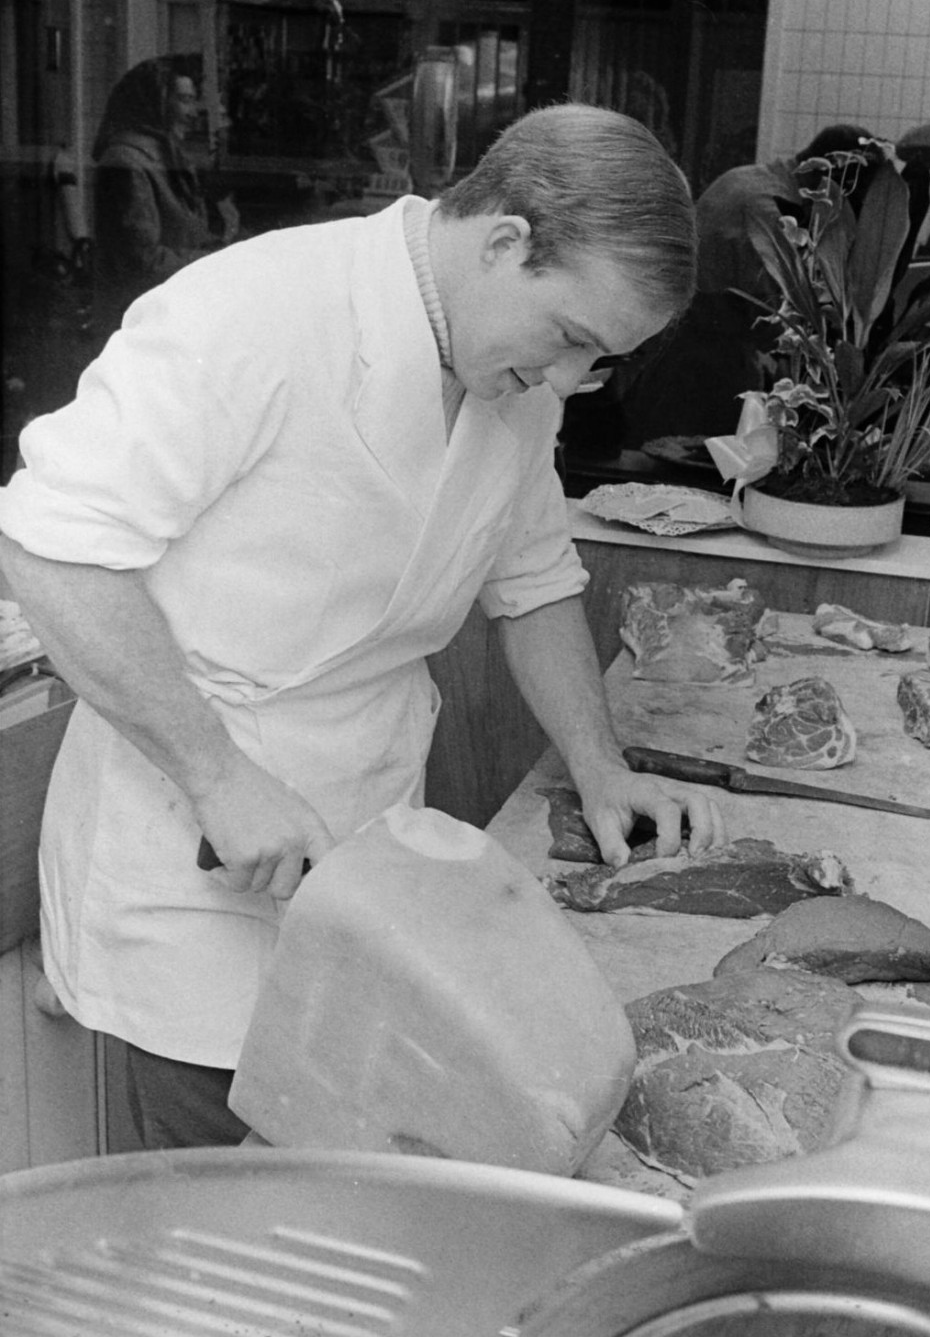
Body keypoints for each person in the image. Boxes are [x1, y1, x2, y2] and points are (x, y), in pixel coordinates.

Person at [0, 103, 726, 1150]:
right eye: (570, 338)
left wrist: (600, 768)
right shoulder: (252, 313)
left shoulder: (515, 378)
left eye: (599, 360)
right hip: (195, 846)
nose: (569, 379)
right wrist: (216, 776)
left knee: (350, 1180)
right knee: (229, 1217)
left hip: (364, 845)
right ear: (504, 241)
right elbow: (51, 548)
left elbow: (531, 581)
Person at [619, 124, 875, 450]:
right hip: (707, 364)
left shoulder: (747, 177)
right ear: (826, 179)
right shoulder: (767, 211)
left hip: (680, 345)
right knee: (698, 464)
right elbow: (775, 323)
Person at [91, 55, 238, 341]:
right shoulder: (126, 163)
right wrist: (219, 261)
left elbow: (184, 233)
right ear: (154, 103)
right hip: (140, 329)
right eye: (184, 100)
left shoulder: (166, 157)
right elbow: (143, 263)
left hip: (169, 319)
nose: (193, 112)